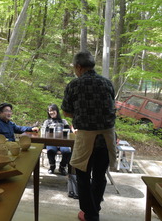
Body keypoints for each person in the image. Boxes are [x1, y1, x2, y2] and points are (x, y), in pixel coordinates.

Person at [61, 51, 116, 221]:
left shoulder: (74, 85)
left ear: (78, 67)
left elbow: (66, 112)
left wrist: (80, 113)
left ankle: (89, 213)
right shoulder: (107, 83)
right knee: (99, 176)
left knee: (83, 177)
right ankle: (95, 209)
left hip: (86, 139)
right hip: (106, 139)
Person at [42, 103, 71, 175]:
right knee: (51, 150)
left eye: (53, 110)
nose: (51, 112)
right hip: (51, 142)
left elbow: (69, 133)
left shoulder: (64, 121)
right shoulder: (47, 122)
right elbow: (43, 133)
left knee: (67, 151)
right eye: (49, 111)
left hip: (63, 142)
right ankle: (52, 166)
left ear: (57, 111)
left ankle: (62, 167)